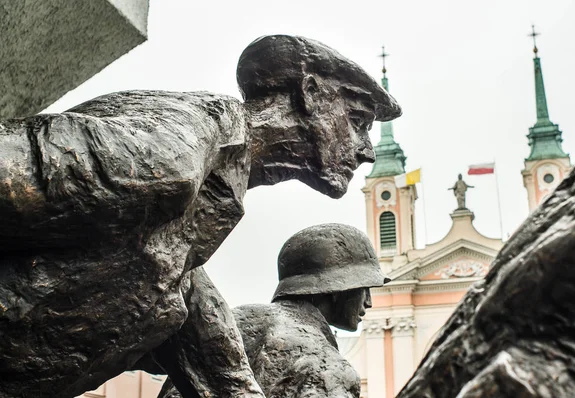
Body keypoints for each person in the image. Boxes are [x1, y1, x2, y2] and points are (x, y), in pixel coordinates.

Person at [0, 35, 401, 398]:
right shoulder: (171, 154)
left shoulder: (195, 227)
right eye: (359, 122)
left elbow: (218, 365)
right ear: (311, 93)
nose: (365, 149)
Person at [159, 223, 390, 398]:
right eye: (364, 288)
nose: (368, 302)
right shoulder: (330, 366)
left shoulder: (232, 320)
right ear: (338, 288)